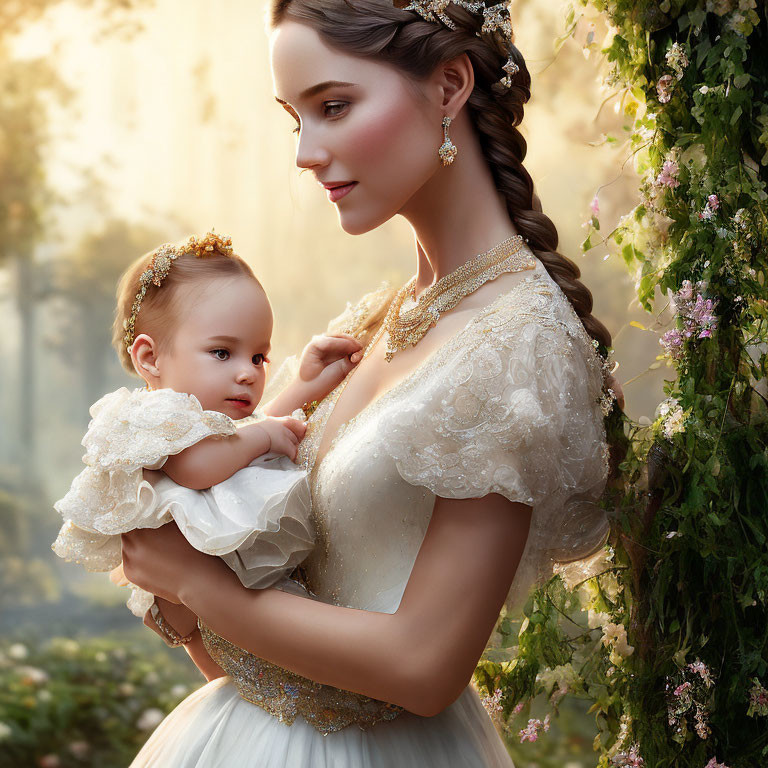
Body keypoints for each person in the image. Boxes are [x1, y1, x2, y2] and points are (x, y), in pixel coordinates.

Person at [122, 0, 625, 765]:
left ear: (450, 85)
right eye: (297, 119)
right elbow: (277, 625)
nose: (305, 152)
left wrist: (202, 587)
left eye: (333, 106)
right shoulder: (376, 319)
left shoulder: (517, 345)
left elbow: (426, 668)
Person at [52, 231, 362, 663]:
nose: (248, 373)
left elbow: (250, 427)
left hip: (212, 587)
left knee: (248, 681)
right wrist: (265, 436)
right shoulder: (157, 413)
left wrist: (306, 387)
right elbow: (196, 466)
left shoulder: (205, 416)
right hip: (183, 591)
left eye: (258, 357)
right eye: (222, 352)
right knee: (232, 682)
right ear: (150, 358)